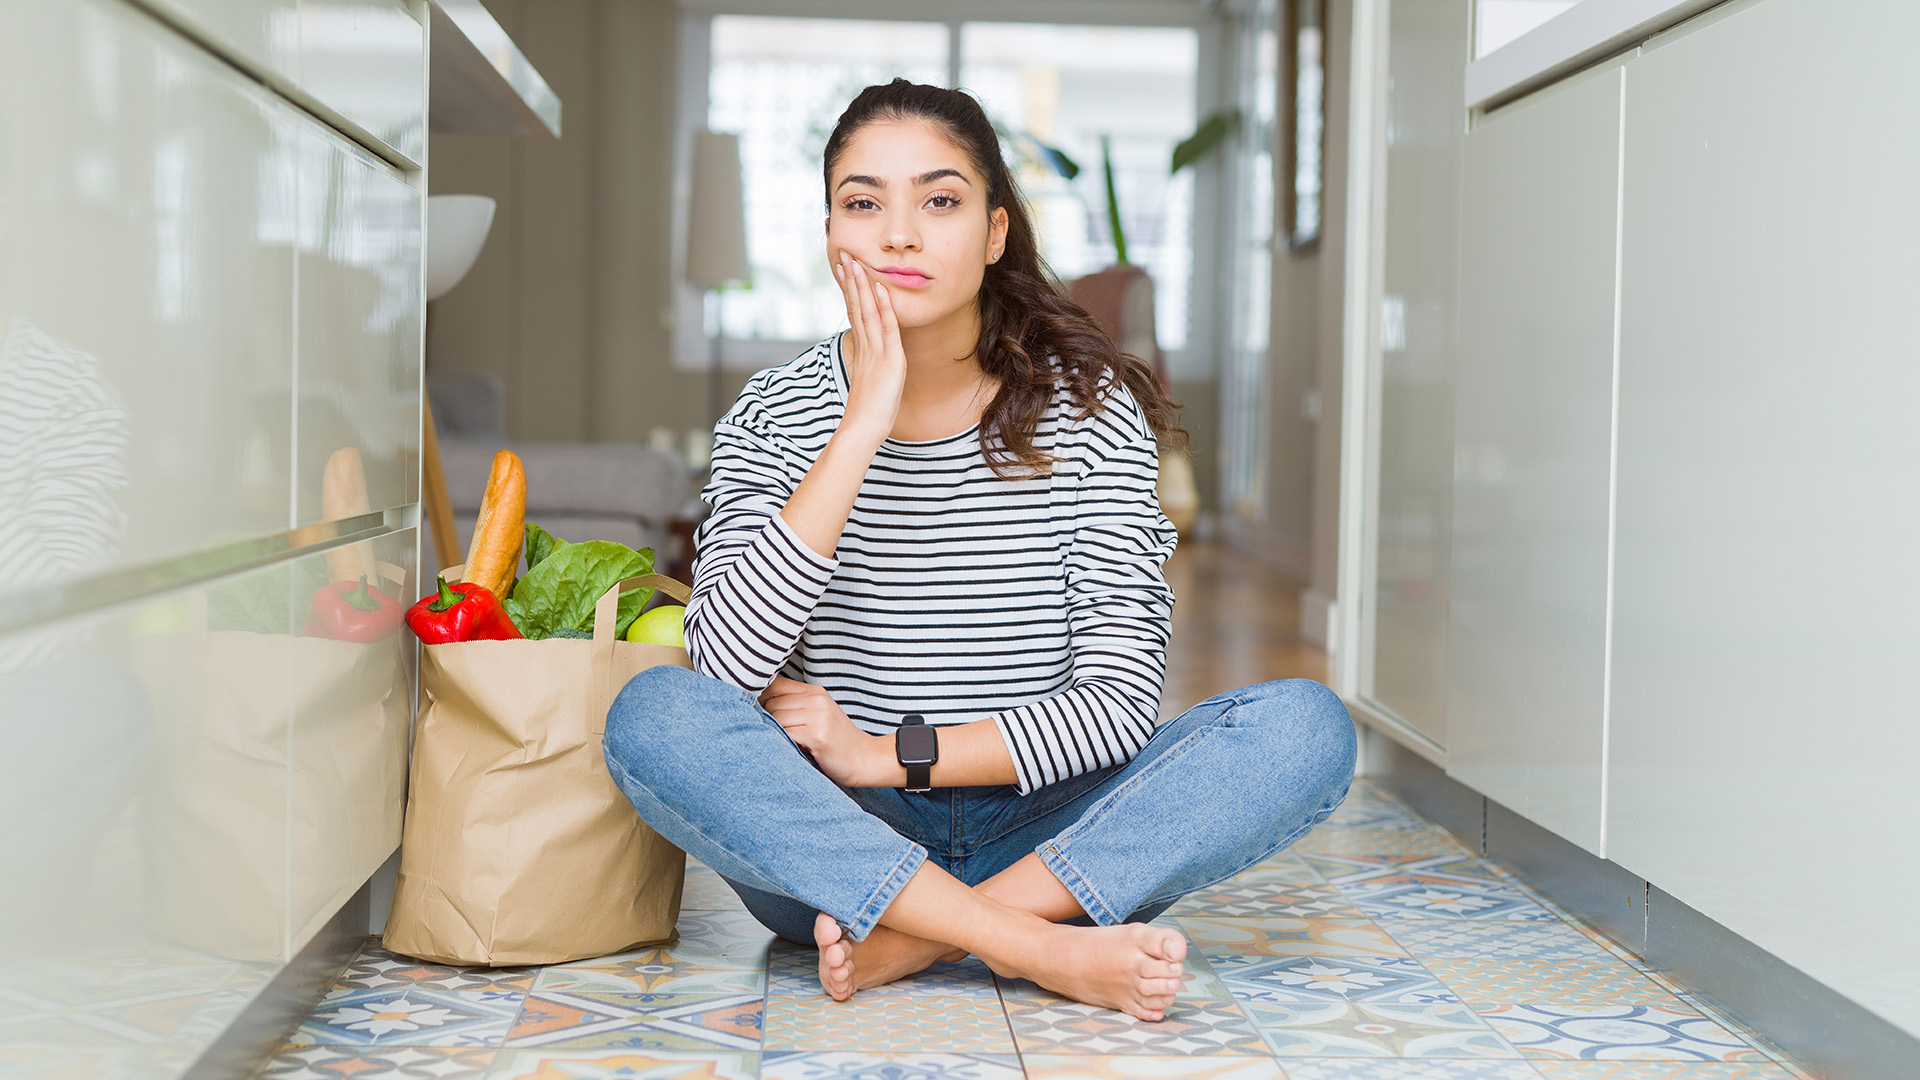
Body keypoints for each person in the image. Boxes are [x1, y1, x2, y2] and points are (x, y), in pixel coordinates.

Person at [604, 79, 1356, 1022]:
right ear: (831, 231)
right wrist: (860, 425)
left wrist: (888, 755)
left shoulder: (1089, 412)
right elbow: (723, 672)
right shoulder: (774, 410)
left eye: (941, 200)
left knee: (1304, 730)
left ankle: (919, 939)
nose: (900, 235)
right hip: (840, 843)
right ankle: (1032, 946)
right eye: (863, 203)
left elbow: (1120, 707)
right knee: (653, 715)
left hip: (1050, 827)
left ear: (995, 232)